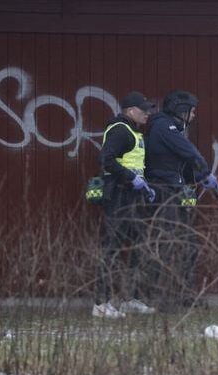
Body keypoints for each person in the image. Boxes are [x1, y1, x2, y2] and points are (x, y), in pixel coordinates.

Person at [144, 90, 218, 307]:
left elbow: (178, 164)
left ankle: (186, 294)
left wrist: (198, 178)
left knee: (188, 244)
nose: (194, 116)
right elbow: (189, 152)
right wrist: (205, 172)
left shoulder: (171, 129)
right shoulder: (164, 127)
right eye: (192, 111)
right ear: (181, 110)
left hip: (174, 190)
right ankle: (162, 298)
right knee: (168, 244)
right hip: (164, 192)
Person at [93, 91, 158, 318]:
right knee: (111, 249)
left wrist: (144, 186)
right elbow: (106, 160)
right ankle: (101, 304)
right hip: (120, 197)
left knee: (139, 248)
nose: (147, 114)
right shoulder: (120, 130)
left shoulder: (133, 131)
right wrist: (132, 178)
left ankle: (131, 299)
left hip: (133, 198)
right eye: (143, 110)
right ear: (131, 111)